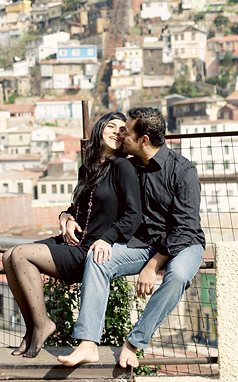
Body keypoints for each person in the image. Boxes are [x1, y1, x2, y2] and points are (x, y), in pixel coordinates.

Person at [58, 107, 206, 368]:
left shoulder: (183, 172)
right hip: (143, 243)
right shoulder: (129, 166)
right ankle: (88, 343)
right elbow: (95, 197)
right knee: (98, 259)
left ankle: (134, 343)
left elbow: (184, 228)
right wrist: (67, 216)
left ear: (144, 141)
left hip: (183, 243)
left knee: (179, 276)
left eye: (126, 131)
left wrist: (152, 266)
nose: (121, 135)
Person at [2, 112, 141, 358]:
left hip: (89, 250)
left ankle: (43, 324)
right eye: (111, 126)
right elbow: (76, 208)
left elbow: (133, 216)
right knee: (8, 255)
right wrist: (65, 217)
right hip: (73, 240)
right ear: (99, 129)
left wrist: (107, 239)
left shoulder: (123, 167)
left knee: (21, 255)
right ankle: (32, 329)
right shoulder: (86, 169)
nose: (116, 132)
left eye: (122, 130)